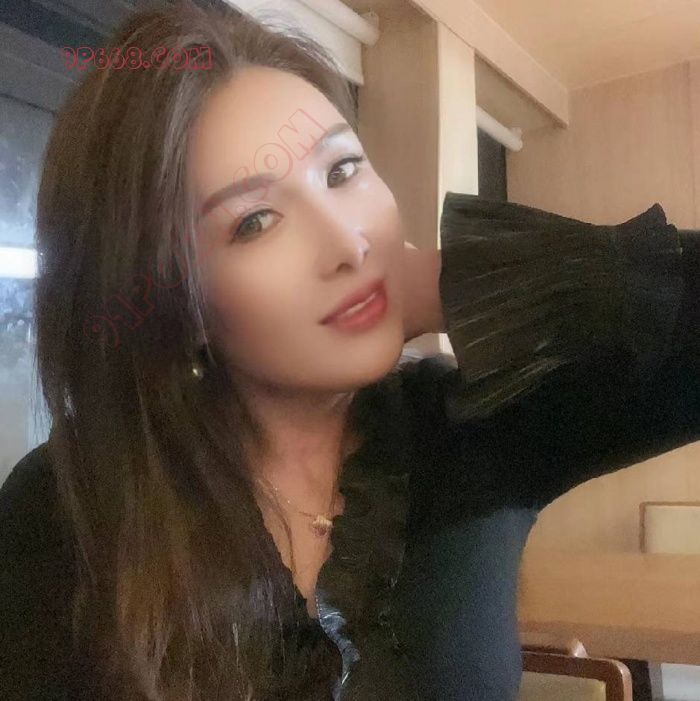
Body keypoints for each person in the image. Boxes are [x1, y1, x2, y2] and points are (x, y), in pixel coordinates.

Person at [0, 1, 698, 699]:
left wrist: (473, 276)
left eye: (341, 171)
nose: (348, 243)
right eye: (255, 221)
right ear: (174, 300)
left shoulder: (480, 426)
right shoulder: (67, 507)